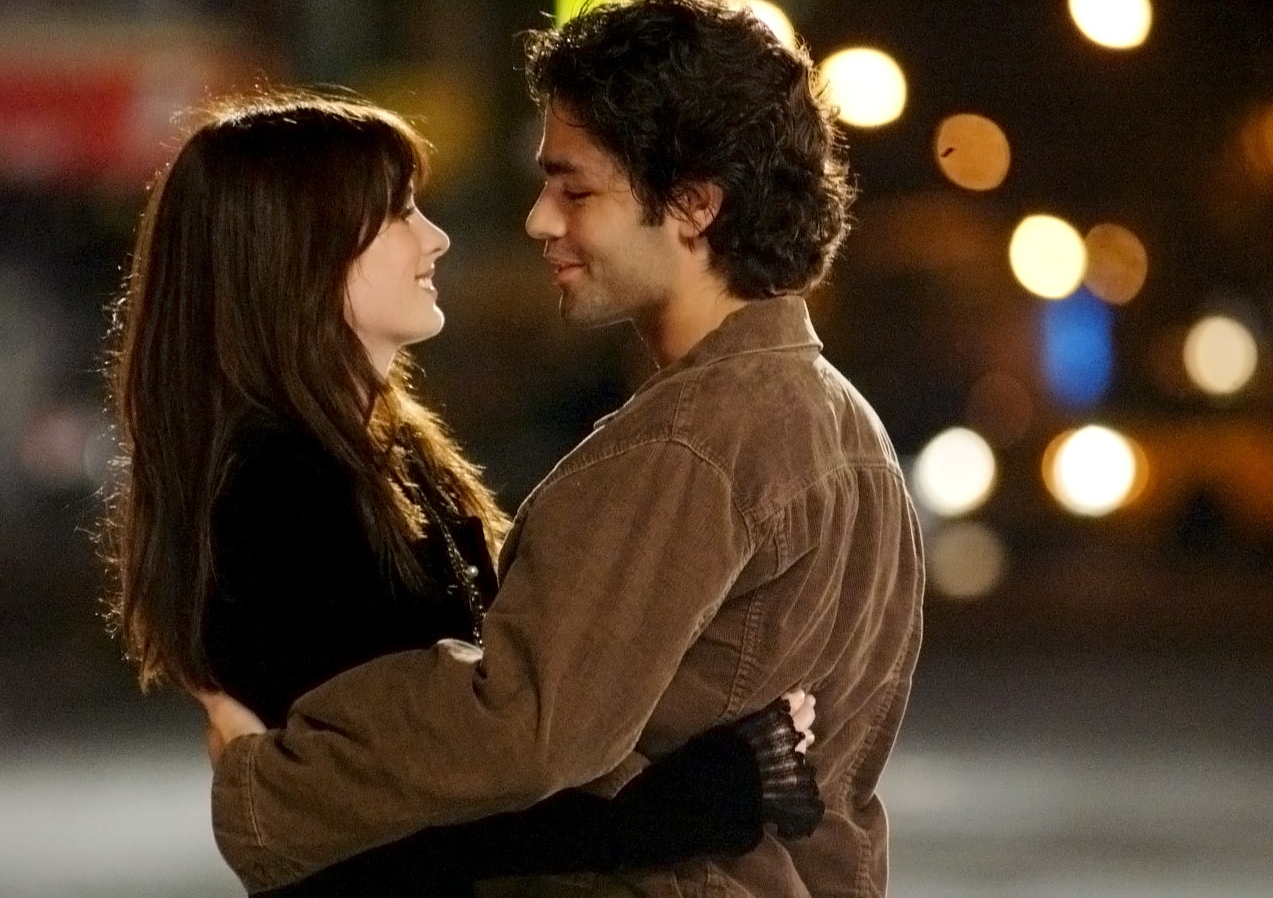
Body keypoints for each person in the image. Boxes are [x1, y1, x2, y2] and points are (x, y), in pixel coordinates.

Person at [202, 0, 925, 895]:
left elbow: (519, 726)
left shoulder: (684, 449)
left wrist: (269, 787)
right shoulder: (846, 428)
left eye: (575, 189)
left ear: (694, 204)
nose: (540, 219)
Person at [102, 90, 826, 897]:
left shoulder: (384, 459)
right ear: (298, 251)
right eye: (398, 213)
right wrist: (714, 793)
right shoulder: (276, 496)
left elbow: (462, 753)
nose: (434, 238)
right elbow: (392, 815)